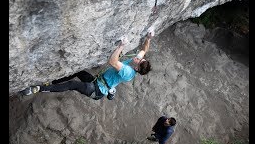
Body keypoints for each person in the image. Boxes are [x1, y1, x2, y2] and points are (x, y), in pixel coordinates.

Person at [20, 28, 154, 100]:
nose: (138, 58)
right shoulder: (135, 62)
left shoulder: (128, 72)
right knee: (77, 72)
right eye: (140, 59)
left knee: (72, 85)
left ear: (137, 67)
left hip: (96, 91)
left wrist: (120, 46)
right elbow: (144, 50)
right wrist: (148, 38)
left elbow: (112, 61)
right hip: (97, 81)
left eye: (139, 60)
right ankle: (52, 84)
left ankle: (38, 89)